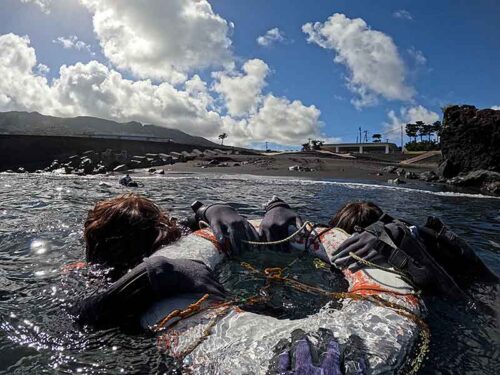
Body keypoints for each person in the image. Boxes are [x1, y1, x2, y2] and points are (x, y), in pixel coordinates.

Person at [75, 194, 259, 329]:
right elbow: (76, 318)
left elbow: (189, 222)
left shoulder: (172, 234)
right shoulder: (87, 276)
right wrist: (159, 272)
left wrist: (213, 210)